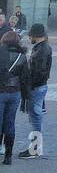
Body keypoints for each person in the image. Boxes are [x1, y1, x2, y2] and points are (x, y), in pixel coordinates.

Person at [19, 24, 51, 159]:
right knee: (35, 117)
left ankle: (35, 148)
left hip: (36, 87)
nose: (29, 37)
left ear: (36, 35)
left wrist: (29, 84)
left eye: (31, 35)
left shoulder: (41, 50)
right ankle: (35, 147)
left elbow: (38, 72)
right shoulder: (41, 48)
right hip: (38, 86)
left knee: (35, 118)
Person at [0, 29, 30, 164]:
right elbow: (25, 79)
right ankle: (8, 156)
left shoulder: (1, 53)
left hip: (1, 92)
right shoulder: (22, 56)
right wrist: (25, 98)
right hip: (15, 93)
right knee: (10, 123)